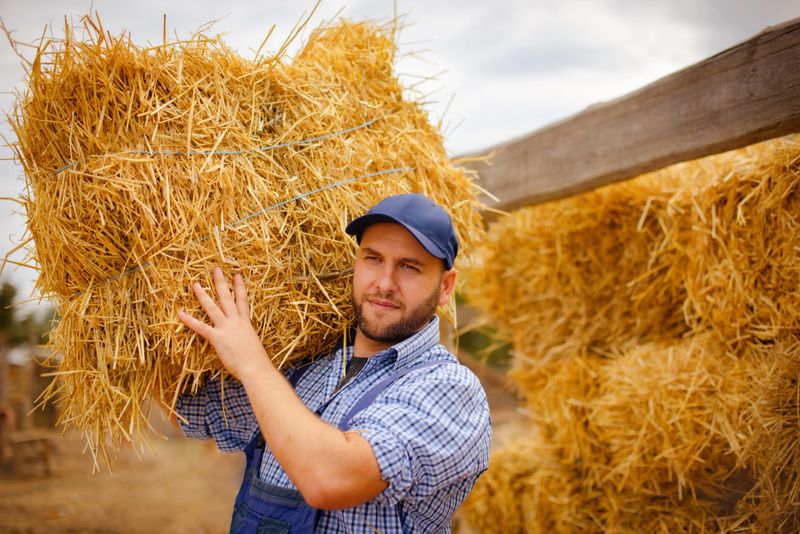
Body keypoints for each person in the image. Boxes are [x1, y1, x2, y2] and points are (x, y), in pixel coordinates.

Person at [175, 193, 492, 533]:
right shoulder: (309, 368)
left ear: (445, 287)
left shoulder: (450, 388)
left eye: (409, 267)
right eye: (373, 259)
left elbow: (330, 478)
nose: (384, 284)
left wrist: (252, 363)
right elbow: (193, 412)